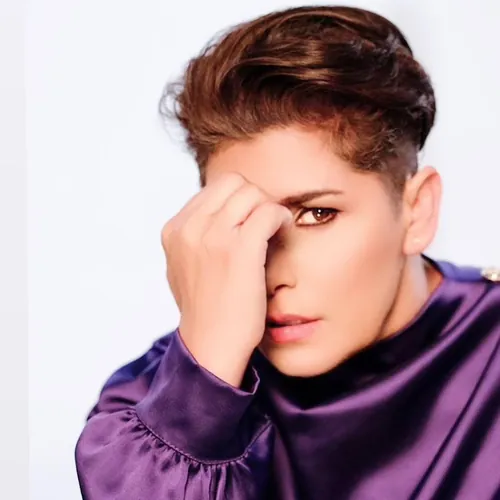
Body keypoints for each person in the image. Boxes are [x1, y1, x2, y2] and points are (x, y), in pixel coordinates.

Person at [74, 5, 500, 499]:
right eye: (246, 221)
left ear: (417, 210)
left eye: (317, 213)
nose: (273, 275)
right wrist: (199, 400)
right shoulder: (148, 415)